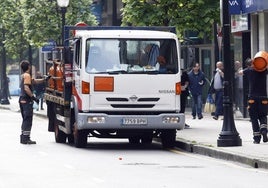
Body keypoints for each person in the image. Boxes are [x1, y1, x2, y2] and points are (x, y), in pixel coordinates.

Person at [19, 60, 49, 144]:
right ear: (28, 67)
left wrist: (44, 79)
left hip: (22, 99)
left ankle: (23, 137)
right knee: (28, 119)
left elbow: (35, 81)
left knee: (25, 119)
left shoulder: (24, 75)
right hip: (26, 99)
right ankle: (25, 138)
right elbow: (26, 88)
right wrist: (33, 97)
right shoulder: (27, 75)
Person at [239, 57, 267, 144]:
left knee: (254, 118)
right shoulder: (263, 70)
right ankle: (264, 129)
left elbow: (240, 73)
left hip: (252, 98)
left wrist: (247, 69)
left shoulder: (249, 71)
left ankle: (256, 138)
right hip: (263, 97)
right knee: (263, 115)